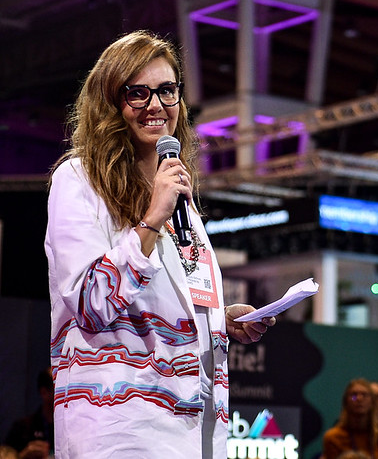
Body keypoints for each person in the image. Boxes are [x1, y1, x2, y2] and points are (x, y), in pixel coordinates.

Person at [45, 30, 274, 458]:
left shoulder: (178, 194)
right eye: (138, 93)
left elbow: (164, 302)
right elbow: (91, 303)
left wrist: (220, 321)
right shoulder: (78, 181)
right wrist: (151, 218)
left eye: (167, 91)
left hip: (195, 430)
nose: (156, 105)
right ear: (110, 103)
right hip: (122, 430)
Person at [322, 378, 378, 459]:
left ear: (372, 402)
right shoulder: (333, 438)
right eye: (353, 396)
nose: (359, 399)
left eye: (365, 395)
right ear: (346, 402)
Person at [4, 368, 54, 459]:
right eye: (59, 389)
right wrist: (23, 455)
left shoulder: (73, 427)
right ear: (44, 392)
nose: (65, 394)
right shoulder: (23, 427)